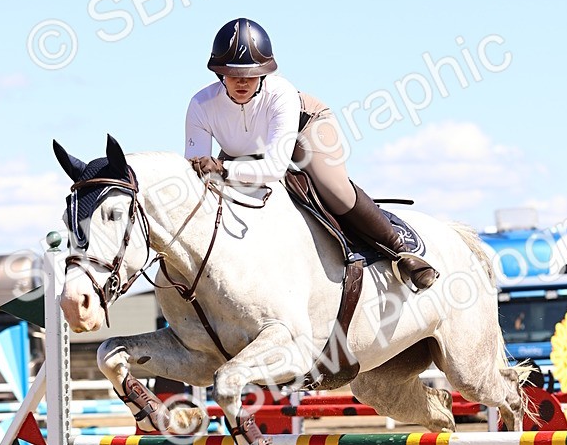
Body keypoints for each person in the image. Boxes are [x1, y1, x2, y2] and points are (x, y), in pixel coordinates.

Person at [184, 19, 437, 291]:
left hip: (305, 130)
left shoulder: (280, 93)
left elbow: (274, 169)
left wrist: (222, 168)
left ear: (264, 74)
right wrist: (211, 171)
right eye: (234, 75)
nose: (242, 82)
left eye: (251, 75)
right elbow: (196, 171)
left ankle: (400, 251)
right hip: (245, 150)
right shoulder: (201, 105)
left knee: (334, 190)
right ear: (220, 75)